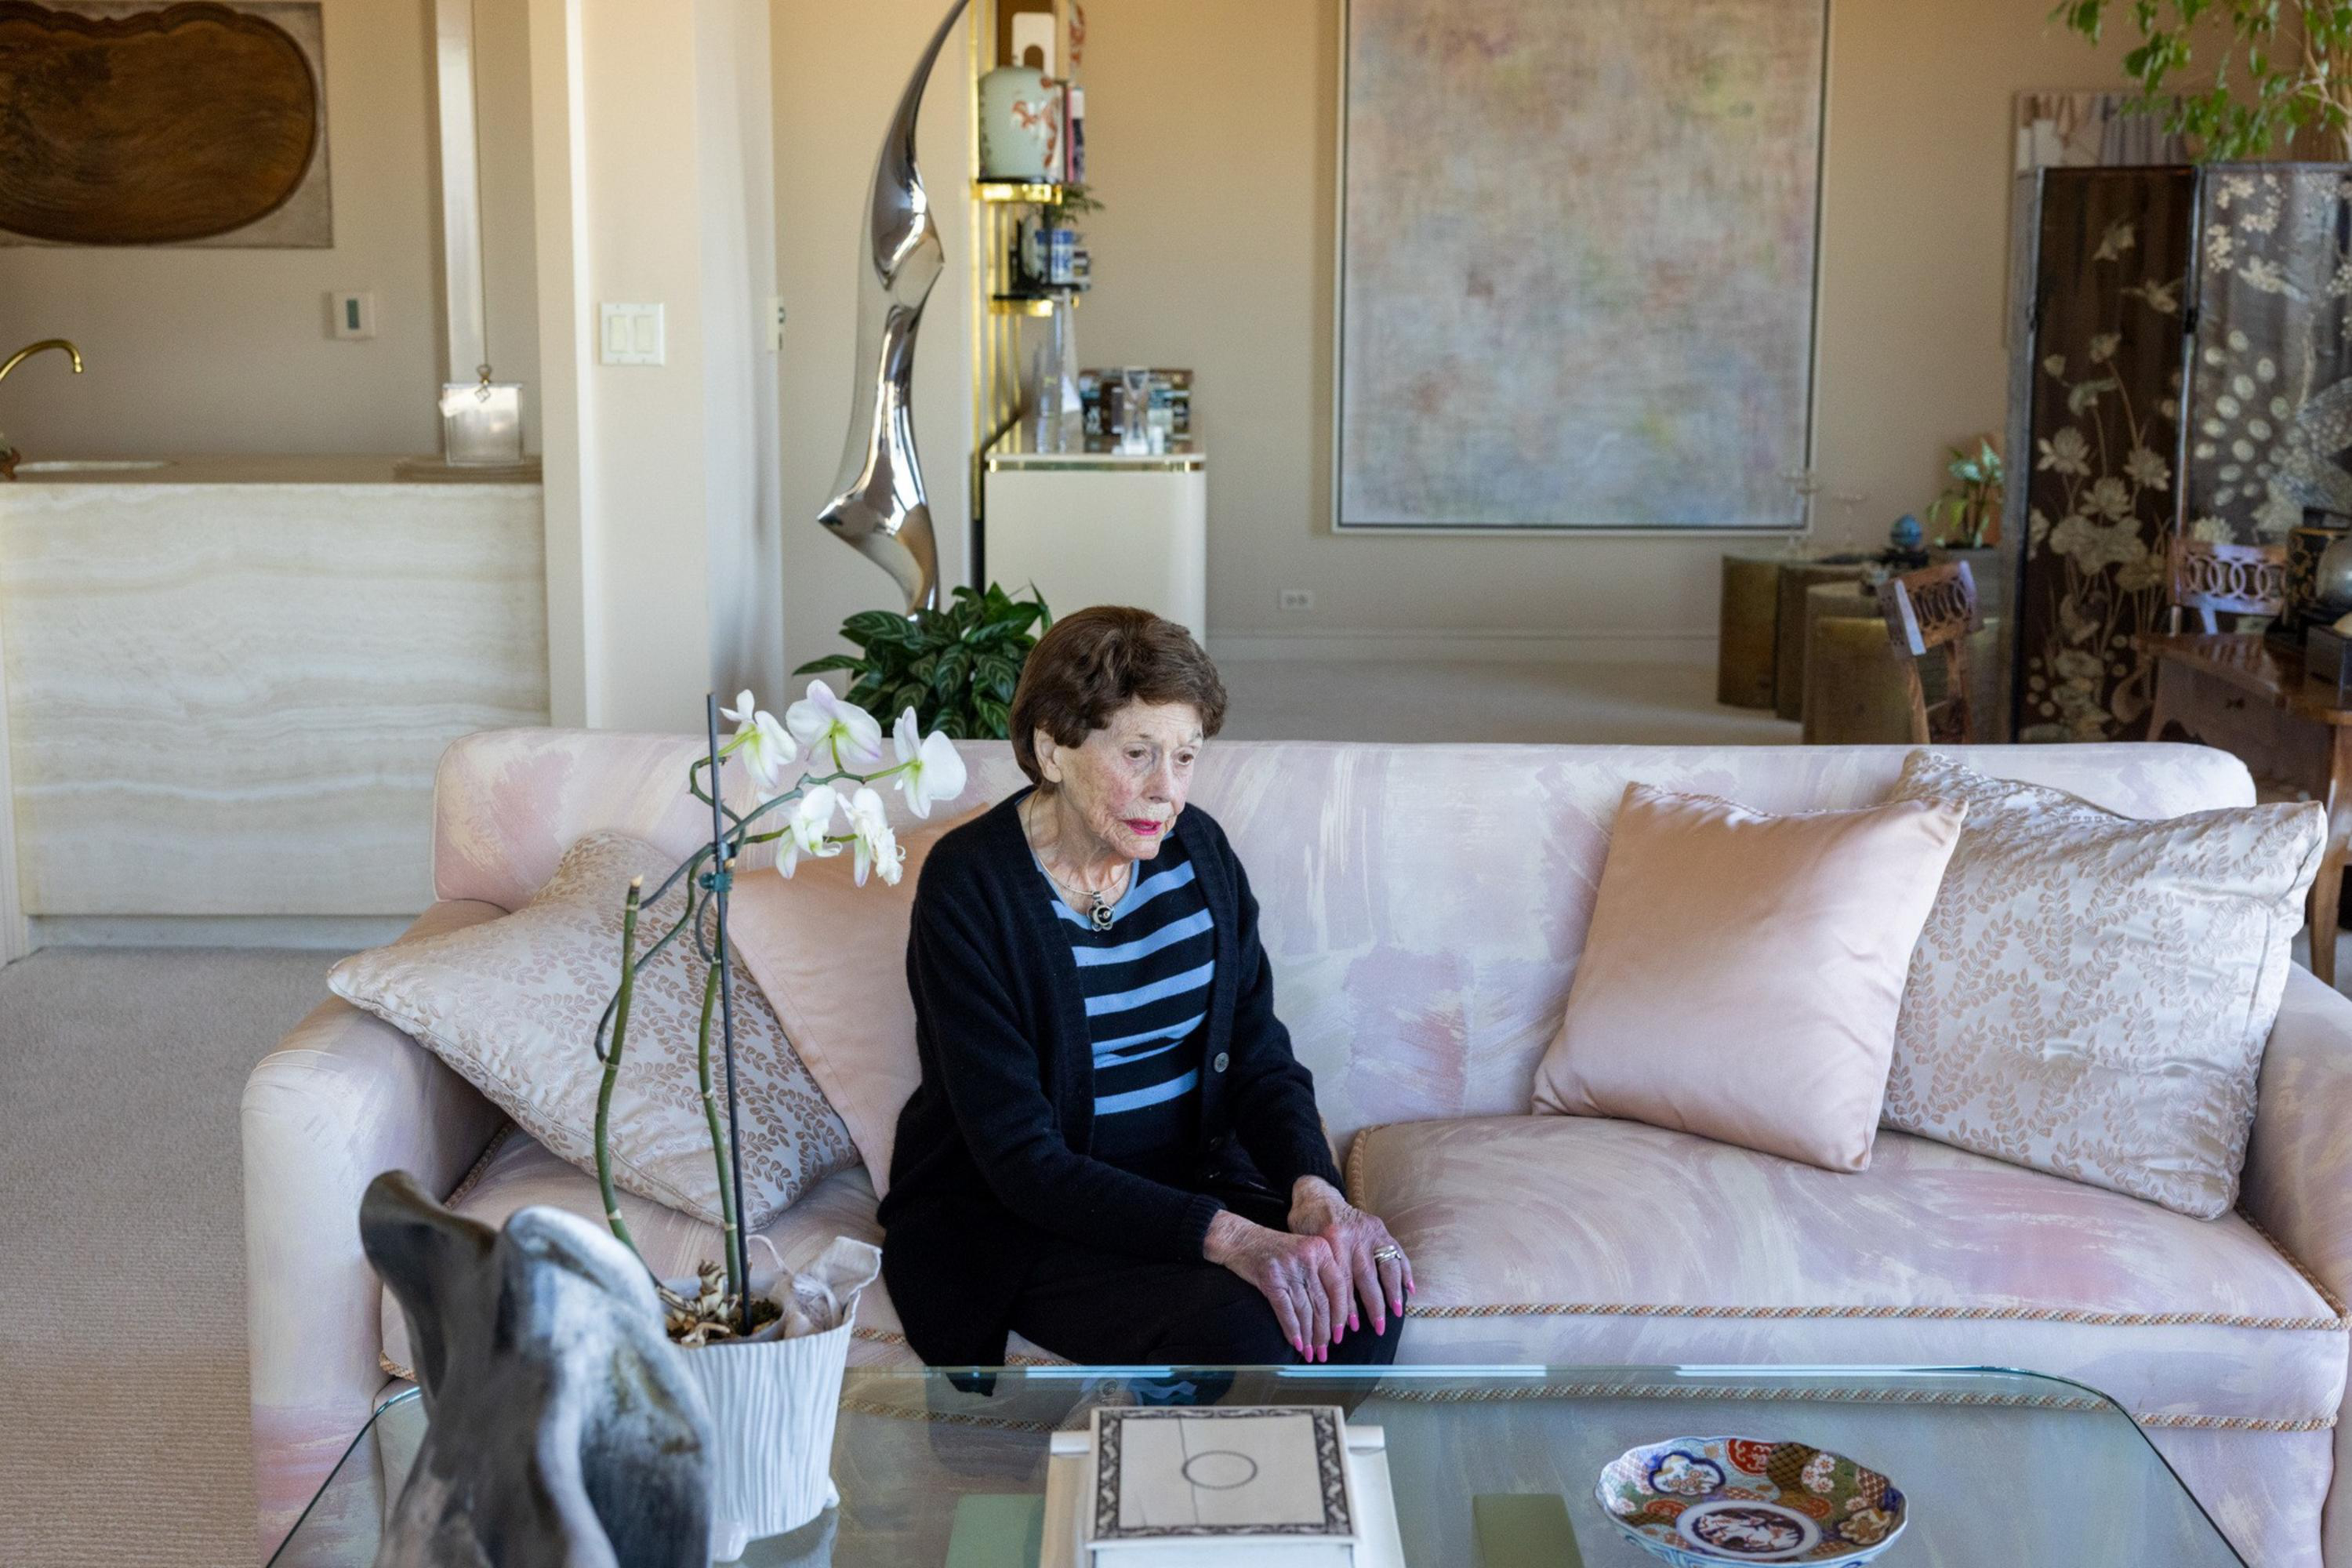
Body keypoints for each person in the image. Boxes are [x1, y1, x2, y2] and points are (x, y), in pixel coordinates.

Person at [878, 605, 1411, 1367]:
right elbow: (1023, 1159)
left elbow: (1261, 1059)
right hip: (1030, 1218)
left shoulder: (1200, 853)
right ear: (1052, 750)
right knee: (1252, 1334)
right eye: (1139, 754)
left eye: (1186, 757)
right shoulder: (971, 888)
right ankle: (1142, 1481)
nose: (1169, 792)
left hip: (1194, 1181)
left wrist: (1315, 1191)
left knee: (1362, 1307)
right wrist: (1230, 1238)